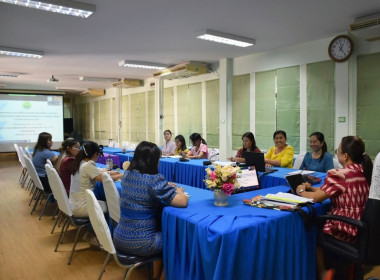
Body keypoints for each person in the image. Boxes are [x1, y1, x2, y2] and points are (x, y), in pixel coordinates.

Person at [296, 136, 373, 280]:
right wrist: (311, 189)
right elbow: (330, 191)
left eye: (338, 150)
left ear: (345, 156)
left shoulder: (339, 175)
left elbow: (316, 198)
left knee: (314, 229)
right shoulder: (363, 171)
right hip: (361, 227)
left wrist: (299, 190)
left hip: (344, 228)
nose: (337, 153)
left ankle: (323, 273)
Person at [113, 141, 188, 279]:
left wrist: (165, 186)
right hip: (143, 242)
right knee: (175, 239)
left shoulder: (128, 175)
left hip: (119, 237)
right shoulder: (153, 180)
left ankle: (155, 276)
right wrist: (180, 191)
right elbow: (182, 202)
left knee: (162, 231)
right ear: (153, 161)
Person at [69, 141, 123, 217]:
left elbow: (96, 172)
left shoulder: (80, 162)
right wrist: (121, 175)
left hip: (73, 204)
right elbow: (105, 180)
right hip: (81, 207)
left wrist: (110, 173)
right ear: (95, 154)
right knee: (114, 207)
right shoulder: (88, 165)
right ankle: (108, 228)